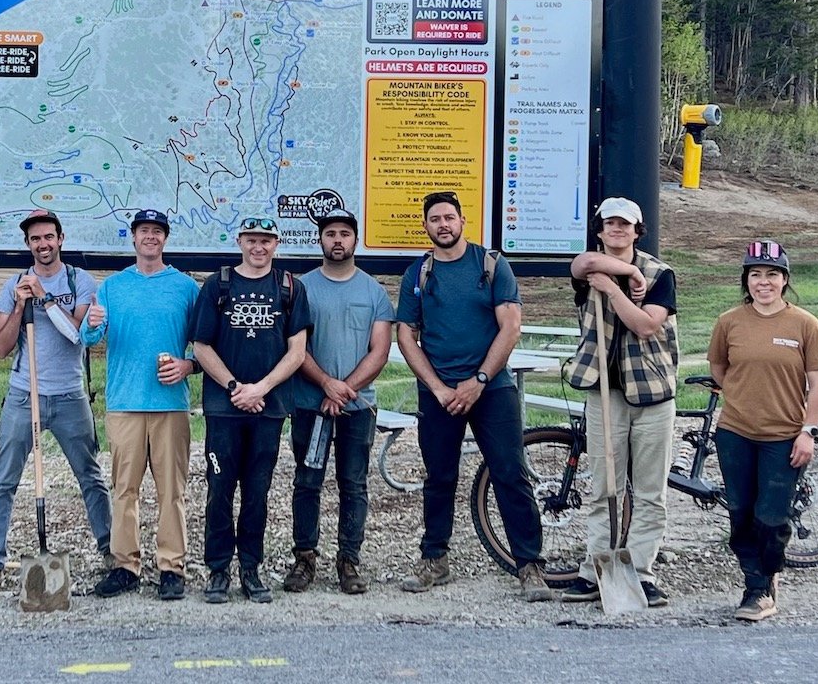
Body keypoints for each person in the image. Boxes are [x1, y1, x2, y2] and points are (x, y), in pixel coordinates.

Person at [394, 190, 552, 602]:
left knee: (510, 474)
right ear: (426, 227)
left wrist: (479, 380)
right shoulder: (419, 273)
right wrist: (439, 388)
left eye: (450, 217)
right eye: (435, 219)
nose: (443, 225)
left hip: (492, 389)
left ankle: (530, 565)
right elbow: (406, 336)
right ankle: (434, 560)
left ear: (463, 222)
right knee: (439, 477)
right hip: (439, 393)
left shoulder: (491, 265)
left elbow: (511, 327)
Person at [0, 211, 110, 594]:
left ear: (60, 239)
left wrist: (46, 299)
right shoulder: (14, 285)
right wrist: (20, 306)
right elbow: (0, 349)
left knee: (90, 476)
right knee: (4, 481)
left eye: (48, 237)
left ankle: (109, 549)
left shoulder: (78, 281)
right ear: (28, 244)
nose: (43, 244)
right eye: (36, 239)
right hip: (24, 393)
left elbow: (78, 337)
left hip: (69, 394)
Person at [561, 196, 679, 608]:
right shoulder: (589, 268)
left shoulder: (661, 275)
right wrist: (623, 272)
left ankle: (642, 573)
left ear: (637, 230)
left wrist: (613, 288)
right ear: (599, 230)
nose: (617, 230)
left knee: (649, 493)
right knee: (603, 489)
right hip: (604, 394)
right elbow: (580, 266)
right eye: (610, 223)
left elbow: (646, 325)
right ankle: (597, 569)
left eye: (625, 225)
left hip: (652, 396)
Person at [707, 240, 818, 622]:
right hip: (736, 431)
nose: (764, 282)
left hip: (784, 436)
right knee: (740, 511)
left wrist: (808, 431)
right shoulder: (729, 321)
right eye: (756, 275)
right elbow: (718, 365)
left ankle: (766, 580)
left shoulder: (805, 324)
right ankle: (756, 586)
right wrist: (739, 393)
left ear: (785, 279)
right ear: (746, 281)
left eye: (772, 275)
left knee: (772, 515)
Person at [82, 209, 201, 601]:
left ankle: (171, 566)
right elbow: (88, 337)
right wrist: (93, 322)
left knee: (172, 491)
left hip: (170, 404)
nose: (150, 238)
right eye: (143, 231)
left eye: (157, 232)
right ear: (133, 238)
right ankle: (125, 565)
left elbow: (203, 345)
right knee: (124, 489)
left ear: (165, 239)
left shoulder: (185, 287)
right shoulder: (113, 287)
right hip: (125, 402)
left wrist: (188, 365)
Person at [190, 215, 310, 604]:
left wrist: (261, 388)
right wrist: (233, 387)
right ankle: (218, 570)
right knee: (220, 489)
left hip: (269, 408)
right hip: (223, 410)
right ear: (239, 240)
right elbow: (201, 346)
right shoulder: (218, 285)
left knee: (258, 492)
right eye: (252, 240)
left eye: (267, 241)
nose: (259, 248)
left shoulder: (290, 287)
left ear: (277, 244)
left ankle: (251, 569)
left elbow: (297, 352)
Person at [282, 208, 393, 596]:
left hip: (357, 407)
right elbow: (295, 345)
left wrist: (344, 389)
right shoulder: (301, 287)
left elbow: (379, 351)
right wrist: (326, 384)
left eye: (345, 233)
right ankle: (305, 558)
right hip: (310, 403)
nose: (338, 240)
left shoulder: (374, 292)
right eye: (331, 233)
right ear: (321, 240)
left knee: (354, 484)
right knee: (307, 482)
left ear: (355, 240)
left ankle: (348, 560)